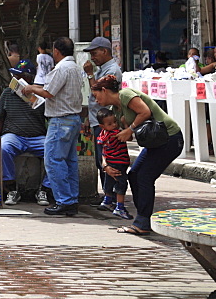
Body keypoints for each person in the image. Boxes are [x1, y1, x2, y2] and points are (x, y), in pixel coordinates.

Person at [89, 74, 184, 235]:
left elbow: (145, 112)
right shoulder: (115, 111)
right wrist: (106, 166)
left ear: (104, 90)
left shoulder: (125, 94)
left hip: (169, 138)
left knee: (144, 177)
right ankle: (143, 219)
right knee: (134, 175)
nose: (95, 100)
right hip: (154, 143)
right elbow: (108, 142)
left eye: (96, 96)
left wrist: (129, 129)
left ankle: (143, 222)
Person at [21, 37, 85, 217]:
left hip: (60, 119)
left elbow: (49, 92)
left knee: (54, 160)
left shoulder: (62, 68)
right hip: (72, 118)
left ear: (57, 51)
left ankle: (64, 200)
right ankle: (71, 199)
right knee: (69, 161)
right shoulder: (74, 68)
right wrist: (35, 87)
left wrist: (32, 89)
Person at [0, 60, 50, 206]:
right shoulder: (8, 93)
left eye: (19, 76)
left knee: (54, 151)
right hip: (13, 136)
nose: (15, 78)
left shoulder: (40, 96)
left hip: (37, 137)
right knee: (3, 148)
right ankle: (11, 188)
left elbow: (49, 118)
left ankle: (44, 189)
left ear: (29, 78)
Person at [84, 36, 121, 190]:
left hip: (106, 122)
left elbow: (98, 94)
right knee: (101, 159)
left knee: (107, 159)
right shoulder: (103, 69)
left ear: (104, 51)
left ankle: (110, 195)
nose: (93, 58)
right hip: (97, 119)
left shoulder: (112, 70)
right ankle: (107, 194)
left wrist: (90, 74)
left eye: (95, 54)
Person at [95, 108, 133, 220]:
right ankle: (119, 207)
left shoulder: (103, 134)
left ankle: (107, 200)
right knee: (121, 184)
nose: (114, 125)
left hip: (110, 162)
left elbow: (100, 144)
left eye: (115, 122)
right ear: (102, 126)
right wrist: (126, 124)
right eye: (110, 124)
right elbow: (129, 137)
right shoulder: (115, 134)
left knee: (109, 181)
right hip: (118, 163)